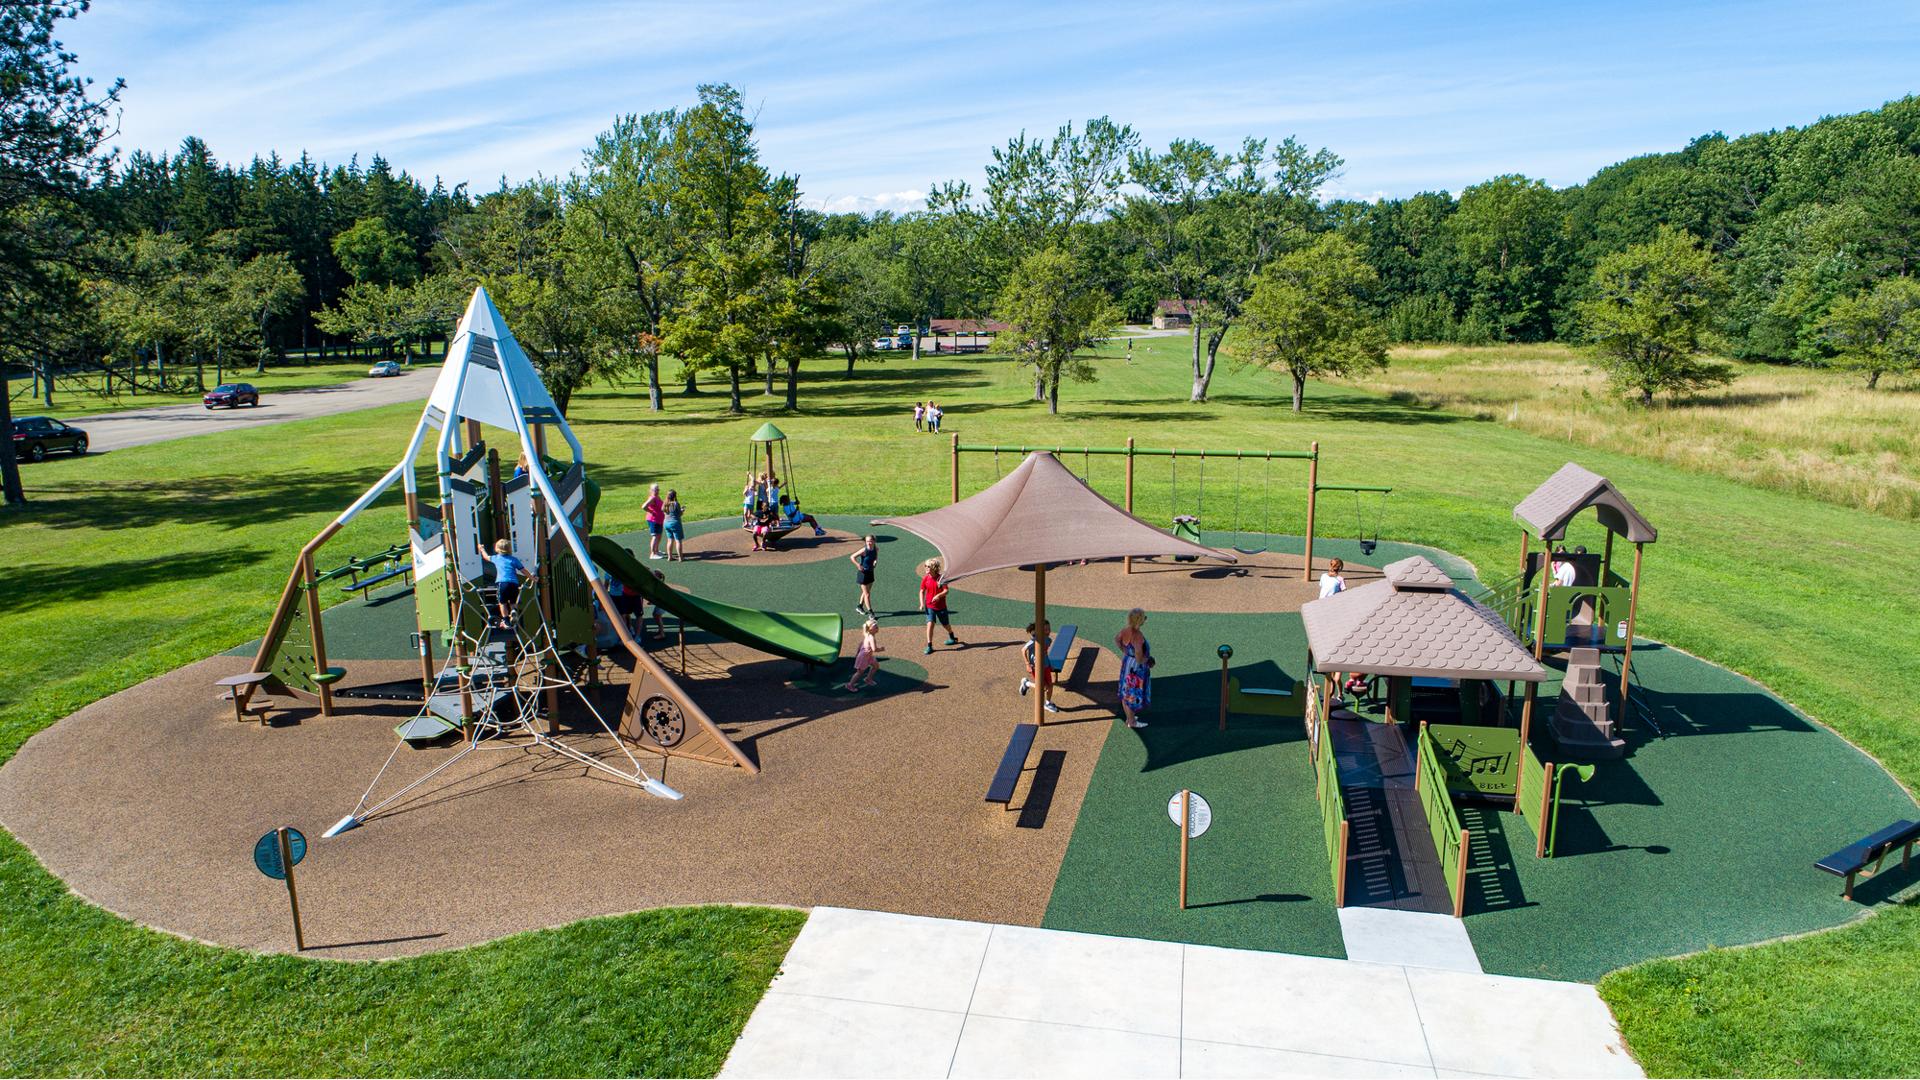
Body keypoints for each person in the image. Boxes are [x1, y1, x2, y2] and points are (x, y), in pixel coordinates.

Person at [1115, 608, 1153, 729]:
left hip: (1127, 663)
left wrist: (1125, 651)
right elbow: (1139, 657)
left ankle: (1129, 718)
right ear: (1139, 620)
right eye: (1144, 618)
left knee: (1125, 692)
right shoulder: (1137, 636)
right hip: (1135, 668)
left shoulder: (1125, 630)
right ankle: (1132, 722)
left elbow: (1117, 639)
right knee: (1132, 694)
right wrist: (1148, 661)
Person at [485, 538, 534, 629]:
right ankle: (514, 610)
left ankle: (506, 621)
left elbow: (486, 557)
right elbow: (523, 571)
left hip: (503, 583)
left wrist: (481, 549)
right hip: (514, 584)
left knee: (502, 603)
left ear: (497, 549)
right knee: (512, 602)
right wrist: (532, 578)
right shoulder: (514, 559)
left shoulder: (496, 558)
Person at [920, 558, 959, 654]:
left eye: (928, 566)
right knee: (930, 624)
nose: (926, 568)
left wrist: (938, 595)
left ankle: (951, 636)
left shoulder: (941, 579)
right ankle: (929, 645)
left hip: (941, 607)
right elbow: (922, 591)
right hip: (929, 606)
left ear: (934, 568)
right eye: (925, 566)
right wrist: (921, 603)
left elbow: (946, 591)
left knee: (946, 625)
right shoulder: (926, 578)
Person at [1019, 620, 1059, 714]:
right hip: (1036, 667)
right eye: (1045, 629)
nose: (1048, 631)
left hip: (1046, 666)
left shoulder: (1048, 640)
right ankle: (1026, 683)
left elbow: (1045, 653)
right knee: (1043, 687)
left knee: (1050, 685)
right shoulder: (1035, 641)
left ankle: (1048, 703)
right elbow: (1023, 650)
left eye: (1049, 629)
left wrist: (1050, 664)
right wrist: (1027, 664)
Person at [845, 618, 884, 691]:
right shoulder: (871, 638)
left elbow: (861, 644)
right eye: (876, 627)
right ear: (871, 629)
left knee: (876, 666)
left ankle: (868, 679)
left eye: (877, 626)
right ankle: (850, 685)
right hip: (863, 657)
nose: (877, 628)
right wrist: (881, 649)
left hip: (868, 655)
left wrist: (857, 652)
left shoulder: (867, 634)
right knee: (859, 672)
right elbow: (874, 649)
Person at [850, 536, 878, 616]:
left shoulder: (876, 549)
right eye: (867, 541)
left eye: (870, 541)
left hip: (870, 572)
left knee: (866, 592)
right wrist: (858, 565)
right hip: (863, 574)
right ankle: (871, 612)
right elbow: (852, 557)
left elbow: (875, 557)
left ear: (874, 541)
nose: (868, 543)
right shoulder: (864, 550)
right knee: (867, 594)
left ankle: (860, 607)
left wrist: (875, 562)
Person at [643, 483, 666, 559]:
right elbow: (644, 506)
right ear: (651, 490)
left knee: (659, 536)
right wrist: (651, 512)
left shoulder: (657, 497)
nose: (657, 491)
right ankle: (652, 554)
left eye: (658, 489)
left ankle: (656, 551)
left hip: (659, 520)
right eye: (656, 489)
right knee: (655, 536)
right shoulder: (652, 498)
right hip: (653, 520)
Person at [663, 489, 686, 561]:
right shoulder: (676, 504)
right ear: (675, 496)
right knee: (678, 541)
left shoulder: (665, 503)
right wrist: (682, 510)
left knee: (670, 540)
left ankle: (670, 557)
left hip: (666, 523)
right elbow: (679, 514)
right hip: (675, 523)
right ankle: (680, 557)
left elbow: (664, 512)